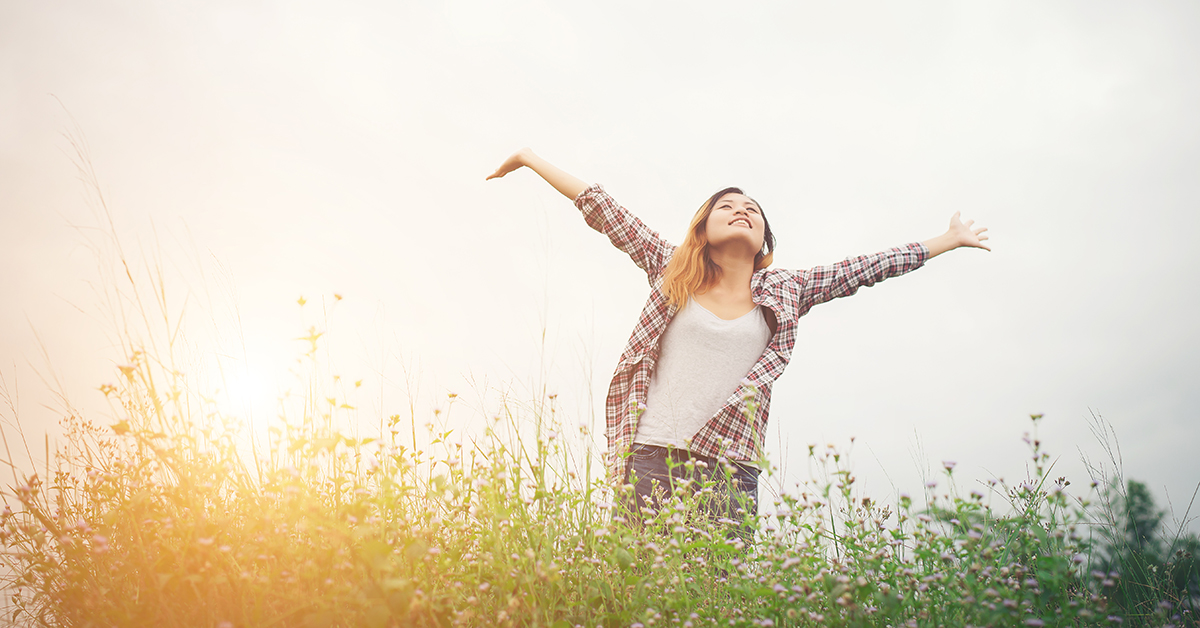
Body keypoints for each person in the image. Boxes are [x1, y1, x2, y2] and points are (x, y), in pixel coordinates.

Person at [486, 147, 989, 526]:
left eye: (753, 209)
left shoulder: (787, 290)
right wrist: (531, 158)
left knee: (716, 603)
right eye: (727, 205)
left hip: (731, 471)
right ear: (702, 228)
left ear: (764, 241)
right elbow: (604, 210)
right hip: (651, 459)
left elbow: (866, 268)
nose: (742, 210)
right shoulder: (671, 271)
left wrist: (946, 240)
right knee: (639, 596)